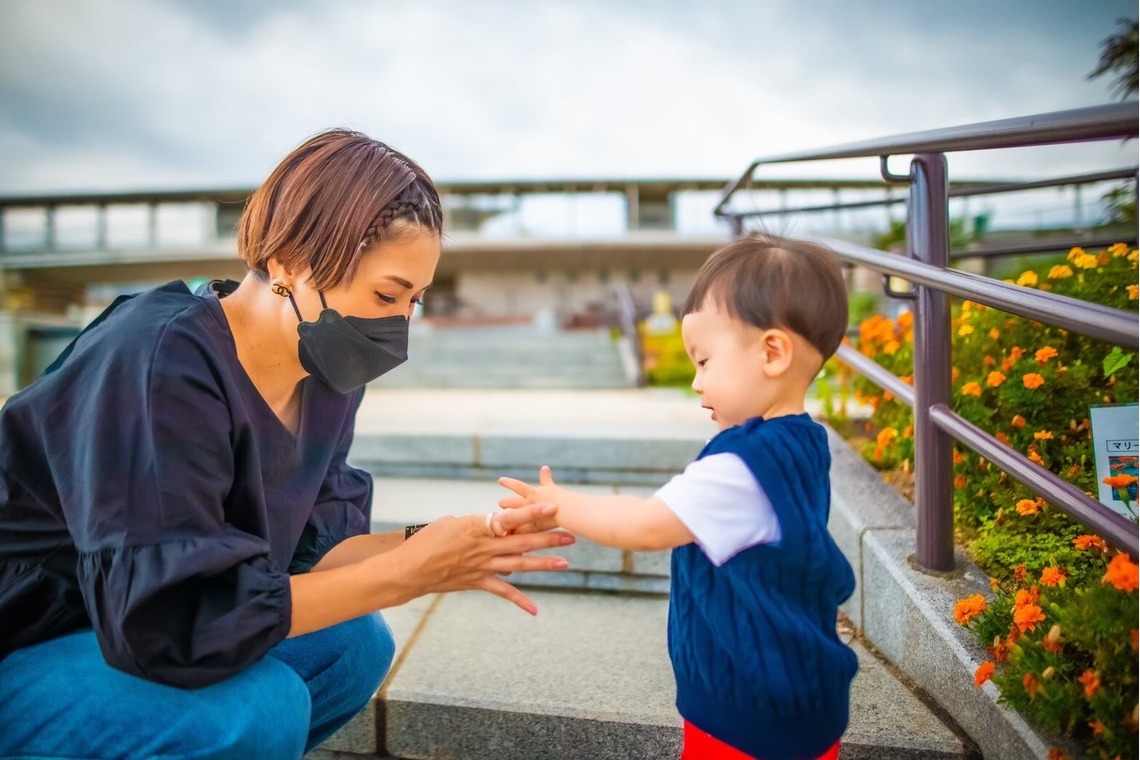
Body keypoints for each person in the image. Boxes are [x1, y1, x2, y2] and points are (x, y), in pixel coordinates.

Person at [0, 130, 573, 760]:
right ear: (290, 260)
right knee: (260, 709)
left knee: (354, 645)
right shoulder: (157, 360)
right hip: (38, 634)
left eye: (414, 299)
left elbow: (312, 551)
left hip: (119, 624)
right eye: (387, 294)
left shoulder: (324, 371)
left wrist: (446, 541)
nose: (399, 323)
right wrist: (407, 574)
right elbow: (166, 617)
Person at [498, 235, 858, 760]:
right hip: (795, 700)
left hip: (748, 717)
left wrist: (559, 502)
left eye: (705, 361)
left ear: (773, 352)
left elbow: (645, 525)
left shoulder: (740, 467)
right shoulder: (803, 440)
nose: (695, 382)